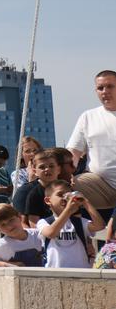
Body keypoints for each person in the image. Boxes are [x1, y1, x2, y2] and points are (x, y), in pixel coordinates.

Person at [67, 69, 116, 215]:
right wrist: (67, 173)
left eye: (110, 86)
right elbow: (74, 152)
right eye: (100, 88)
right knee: (67, 187)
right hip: (100, 185)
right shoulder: (88, 117)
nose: (105, 91)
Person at [36, 180, 100, 269]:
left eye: (68, 195)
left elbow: (99, 225)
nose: (65, 198)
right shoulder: (44, 222)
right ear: (48, 200)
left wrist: (85, 202)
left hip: (81, 271)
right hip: (54, 272)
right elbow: (51, 233)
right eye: (60, 195)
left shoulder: (79, 222)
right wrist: (68, 210)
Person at [0, 204, 46, 268]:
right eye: (3, 225)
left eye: (11, 220)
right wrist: (6, 264)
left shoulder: (38, 234)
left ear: (19, 217)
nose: (9, 226)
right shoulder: (3, 244)